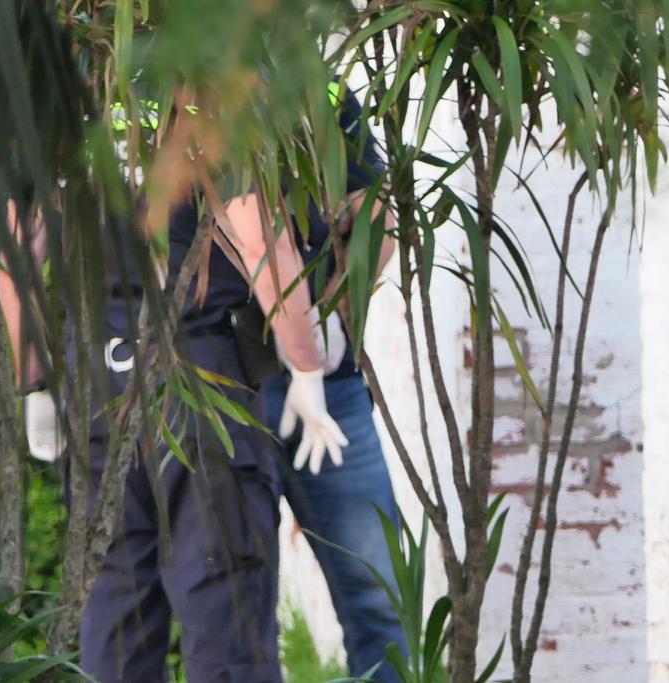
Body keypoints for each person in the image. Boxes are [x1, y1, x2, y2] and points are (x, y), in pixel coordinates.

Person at [0, 101, 347, 681]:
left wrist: (36, 386)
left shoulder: (61, 93)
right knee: (226, 615)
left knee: (116, 617)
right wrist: (307, 372)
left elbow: (13, 261)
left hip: (96, 389)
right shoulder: (206, 87)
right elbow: (260, 240)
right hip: (202, 387)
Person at [262, 85, 409, 682]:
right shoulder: (161, 80)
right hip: (218, 376)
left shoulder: (314, 84)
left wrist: (333, 315)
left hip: (333, 385)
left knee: (379, 598)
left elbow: (375, 213)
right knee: (230, 606)